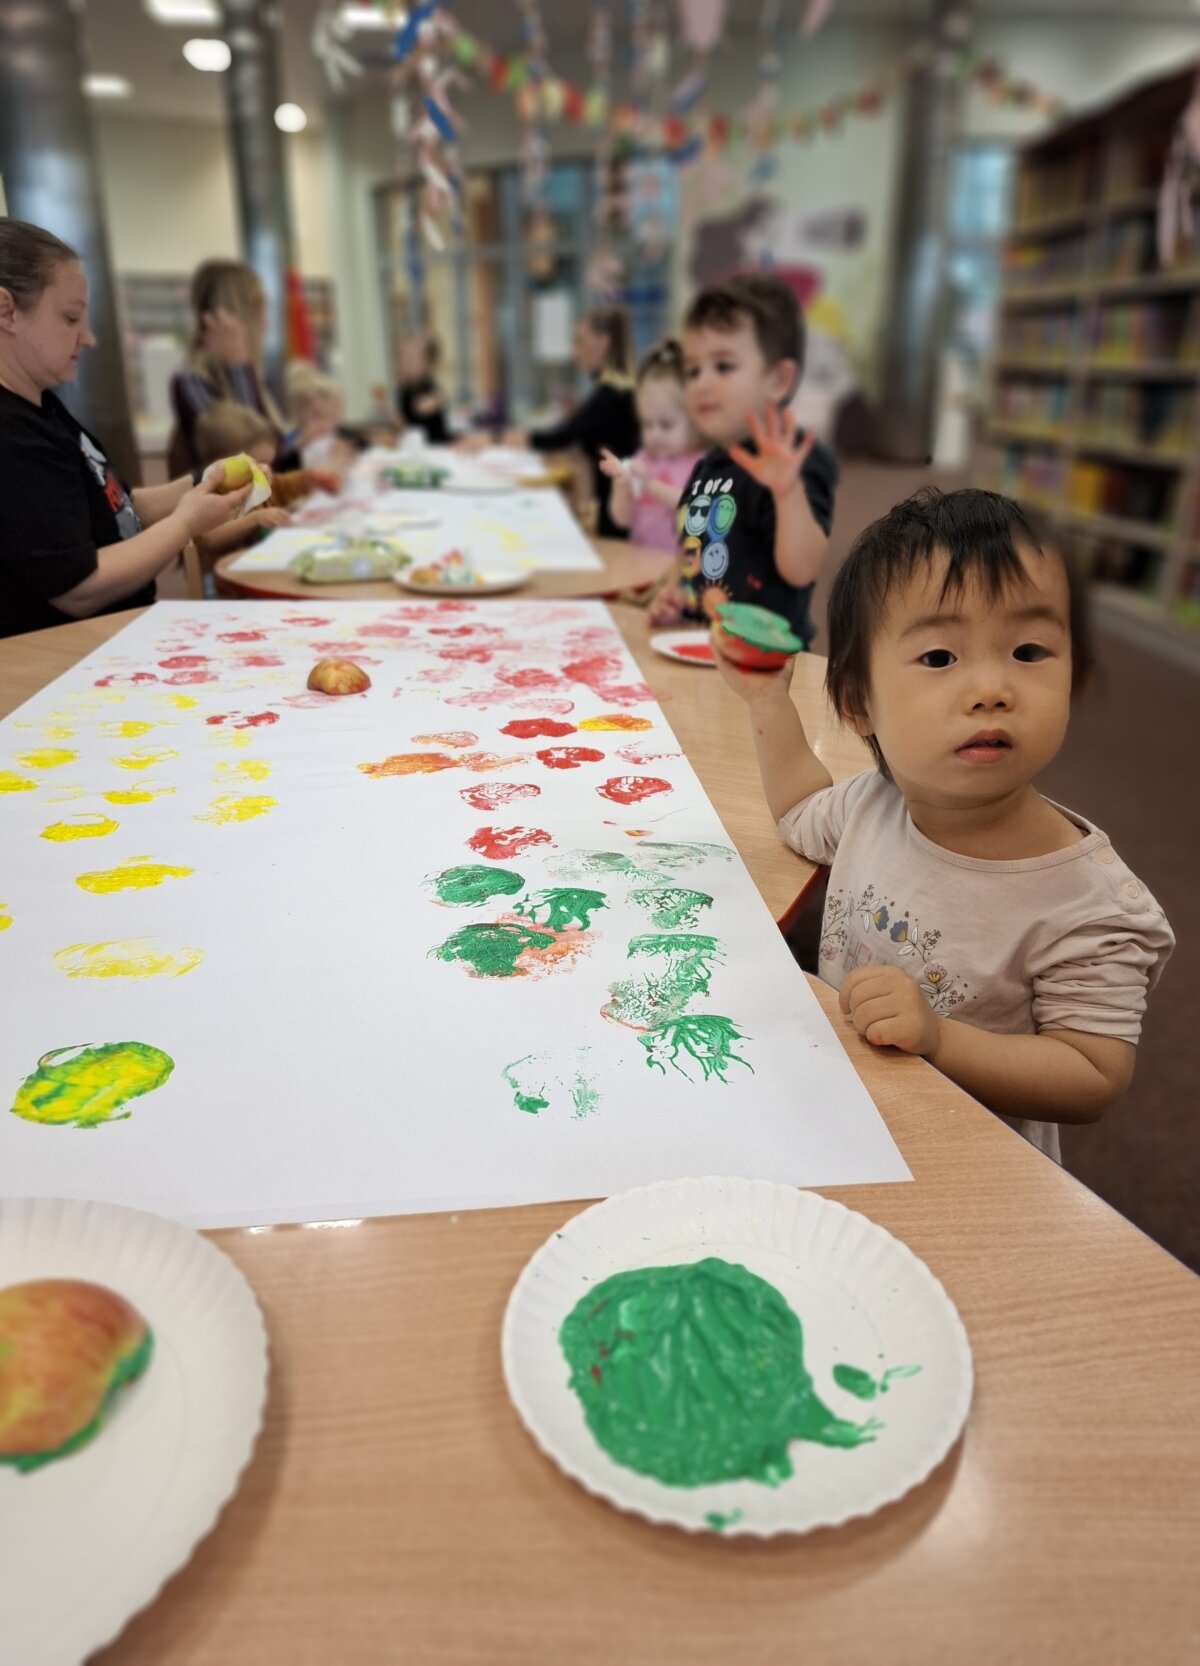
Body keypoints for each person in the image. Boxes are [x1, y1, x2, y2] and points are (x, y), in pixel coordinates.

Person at [715, 486, 1174, 1161]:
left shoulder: (1092, 905)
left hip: (967, 1162)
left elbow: (1093, 1075)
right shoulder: (876, 803)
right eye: (939, 658)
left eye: (1028, 652)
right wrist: (765, 700)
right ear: (858, 702)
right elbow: (796, 814)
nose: (992, 688)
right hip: (847, 1114)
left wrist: (938, 1037)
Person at [0, 219, 249, 638]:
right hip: (66, 664)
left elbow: (111, 510)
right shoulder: (10, 434)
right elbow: (77, 586)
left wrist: (201, 483)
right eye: (70, 318)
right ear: (6, 311)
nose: (89, 338)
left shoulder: (41, 405)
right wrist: (186, 523)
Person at [651, 273, 838, 641]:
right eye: (692, 370)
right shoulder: (709, 464)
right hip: (702, 649)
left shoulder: (791, 462)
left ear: (779, 380)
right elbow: (693, 549)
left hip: (765, 664)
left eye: (723, 366)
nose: (702, 382)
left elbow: (802, 569)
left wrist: (787, 492)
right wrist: (674, 593)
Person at [515, 307, 640, 539]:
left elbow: (561, 438)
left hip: (619, 514)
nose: (574, 352)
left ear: (603, 343)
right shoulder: (618, 392)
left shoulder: (611, 396)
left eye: (580, 342)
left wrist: (505, 438)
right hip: (618, 504)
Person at [167, 259, 292, 477]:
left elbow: (277, 453)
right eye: (260, 309)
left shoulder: (248, 373)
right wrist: (239, 365)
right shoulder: (192, 382)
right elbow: (253, 453)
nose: (266, 321)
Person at [597, 338, 704, 553]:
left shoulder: (702, 463)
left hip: (683, 574)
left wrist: (649, 485)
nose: (654, 434)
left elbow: (694, 508)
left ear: (695, 419)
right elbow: (622, 520)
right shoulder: (643, 459)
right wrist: (621, 488)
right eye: (647, 424)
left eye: (666, 425)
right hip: (642, 570)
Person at [396, 330, 451, 445]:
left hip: (437, 446)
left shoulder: (429, 386)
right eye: (403, 357)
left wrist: (435, 401)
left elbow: (435, 400)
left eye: (413, 358)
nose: (407, 363)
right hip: (415, 447)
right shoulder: (404, 390)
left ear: (427, 363)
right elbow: (404, 423)